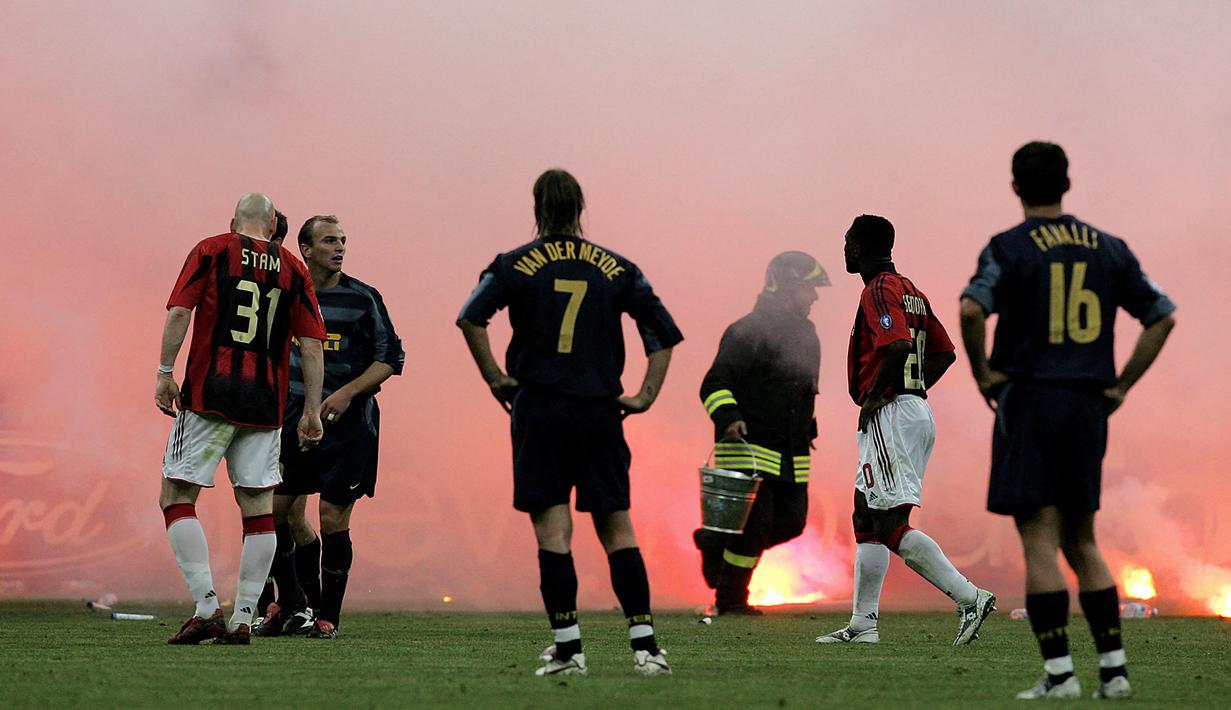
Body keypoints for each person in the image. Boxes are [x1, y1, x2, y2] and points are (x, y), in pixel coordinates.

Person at [959, 142, 1176, 700]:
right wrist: (1121, 385)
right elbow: (1161, 316)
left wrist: (984, 375)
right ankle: (1115, 672)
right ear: (1068, 183)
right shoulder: (1109, 248)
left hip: (1030, 400)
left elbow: (971, 308)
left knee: (1039, 538)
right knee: (1083, 538)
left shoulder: (1008, 247)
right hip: (1086, 404)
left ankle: (1060, 676)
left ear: (1015, 186)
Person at [457, 169, 683, 677]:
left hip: (539, 408)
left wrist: (495, 378)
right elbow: (662, 334)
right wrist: (645, 395)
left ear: (537, 207)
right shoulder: (618, 267)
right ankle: (647, 650)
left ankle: (569, 650)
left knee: (553, 530)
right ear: (581, 207)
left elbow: (470, 317)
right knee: (616, 526)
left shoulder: (512, 263)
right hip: (600, 409)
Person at [816, 214, 995, 647]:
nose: (844, 249)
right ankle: (863, 624)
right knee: (865, 516)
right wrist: (912, 389)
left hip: (893, 414)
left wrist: (880, 395)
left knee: (888, 520)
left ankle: (970, 597)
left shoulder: (878, 289)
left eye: (847, 241)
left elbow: (896, 345)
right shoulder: (910, 290)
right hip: (911, 408)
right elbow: (945, 353)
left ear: (859, 247)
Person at [156, 193, 326, 645]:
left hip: (210, 395)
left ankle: (207, 607)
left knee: (176, 494)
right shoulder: (294, 268)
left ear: (234, 222)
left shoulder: (212, 249)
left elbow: (180, 311)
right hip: (267, 404)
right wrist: (311, 410)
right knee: (257, 507)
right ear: (272, 225)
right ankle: (244, 617)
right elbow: (312, 344)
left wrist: (164, 372)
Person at [253, 215, 404, 640]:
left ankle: (327, 617)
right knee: (276, 511)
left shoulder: (363, 298)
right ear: (305, 249)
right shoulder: (285, 295)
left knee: (332, 516)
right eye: (329, 241)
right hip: (293, 416)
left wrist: (346, 394)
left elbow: (390, 359)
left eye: (342, 241)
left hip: (350, 424)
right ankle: (293, 603)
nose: (339, 248)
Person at [695, 251, 829, 615]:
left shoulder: (807, 334)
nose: (814, 297)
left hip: (792, 451)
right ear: (785, 286)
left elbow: (804, 388)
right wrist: (729, 417)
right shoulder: (747, 331)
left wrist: (808, 426)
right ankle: (731, 599)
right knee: (755, 528)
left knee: (791, 524)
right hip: (749, 447)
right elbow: (714, 384)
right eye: (808, 289)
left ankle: (715, 543)